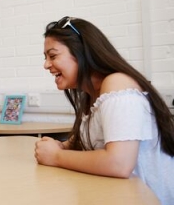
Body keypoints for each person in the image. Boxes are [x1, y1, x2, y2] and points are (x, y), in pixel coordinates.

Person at [35, 16, 174, 204]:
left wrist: (56, 156)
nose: (46, 65)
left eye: (53, 56)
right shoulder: (91, 95)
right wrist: (64, 145)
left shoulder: (117, 84)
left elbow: (119, 163)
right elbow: (91, 139)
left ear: (81, 53)